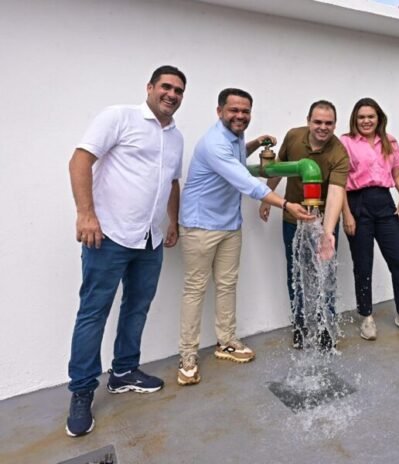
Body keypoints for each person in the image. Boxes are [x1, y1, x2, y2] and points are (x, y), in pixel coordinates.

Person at [66, 65, 187, 437]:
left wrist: (173, 221)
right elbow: (80, 160)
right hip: (109, 236)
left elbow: (171, 182)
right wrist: (86, 214)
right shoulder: (119, 117)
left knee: (137, 306)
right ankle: (82, 391)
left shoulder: (176, 137)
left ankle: (123, 371)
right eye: (166, 86)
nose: (171, 94)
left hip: (150, 240)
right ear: (150, 87)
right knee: (93, 312)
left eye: (178, 90)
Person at [177, 88, 314, 386]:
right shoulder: (214, 143)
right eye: (233, 110)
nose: (240, 116)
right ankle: (187, 355)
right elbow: (247, 182)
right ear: (219, 112)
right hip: (201, 225)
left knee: (227, 284)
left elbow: (238, 158)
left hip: (229, 223)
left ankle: (226, 341)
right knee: (195, 288)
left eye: (245, 111)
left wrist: (254, 143)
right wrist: (286, 204)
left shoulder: (235, 137)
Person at [259, 100, 349, 349]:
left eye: (328, 123)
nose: (323, 127)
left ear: (335, 125)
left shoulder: (339, 153)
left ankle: (325, 327)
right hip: (293, 220)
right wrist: (268, 198)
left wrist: (327, 233)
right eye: (317, 122)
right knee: (296, 273)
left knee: (325, 275)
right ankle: (299, 326)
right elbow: (277, 169)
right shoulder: (293, 137)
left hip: (323, 221)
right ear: (308, 121)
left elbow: (336, 193)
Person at [340, 98, 399, 340]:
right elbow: (339, 181)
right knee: (363, 265)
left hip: (384, 203)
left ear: (378, 118)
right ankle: (366, 317)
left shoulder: (389, 141)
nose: (366, 121)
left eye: (370, 116)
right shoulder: (345, 142)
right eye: (361, 117)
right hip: (357, 203)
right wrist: (346, 213)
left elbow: (397, 172)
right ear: (355, 119)